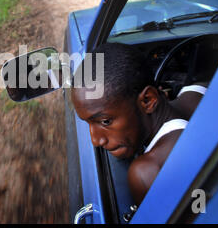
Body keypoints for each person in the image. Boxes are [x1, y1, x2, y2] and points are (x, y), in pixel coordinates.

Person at [70, 42, 207, 205]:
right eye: (88, 123)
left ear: (148, 100)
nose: (96, 140)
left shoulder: (147, 172)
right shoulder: (200, 89)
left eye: (106, 121)